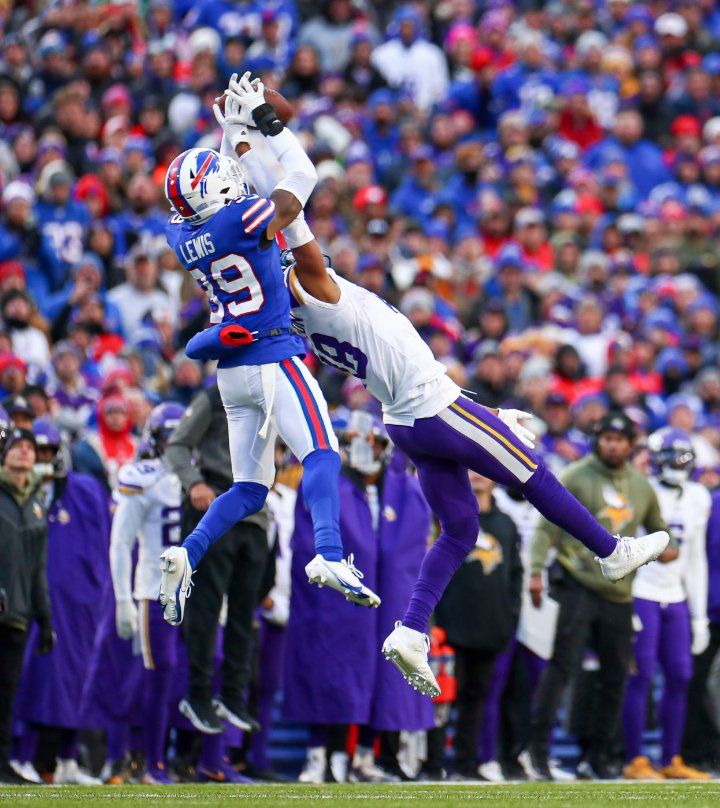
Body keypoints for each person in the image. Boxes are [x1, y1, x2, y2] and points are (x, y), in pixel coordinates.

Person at [232, 95, 669, 698]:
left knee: (461, 529)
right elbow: (296, 203)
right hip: (431, 409)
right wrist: (264, 131)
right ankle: (609, 549)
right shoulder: (313, 286)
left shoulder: (300, 312)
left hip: (410, 418)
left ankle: (411, 628)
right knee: (534, 475)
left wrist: (235, 142)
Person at [159, 73, 379, 628]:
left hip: (232, 376)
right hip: (274, 359)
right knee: (322, 454)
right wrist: (263, 122)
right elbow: (303, 176)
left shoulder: (182, 236)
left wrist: (229, 133)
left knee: (250, 489)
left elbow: (206, 188)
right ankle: (329, 554)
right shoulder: (244, 220)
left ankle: (187, 552)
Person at [524, 413, 671, 781]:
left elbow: (661, 532)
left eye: (620, 439)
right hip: (578, 581)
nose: (613, 445)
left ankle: (600, 757)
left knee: (616, 676)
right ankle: (537, 755)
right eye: (606, 438)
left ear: (631, 444)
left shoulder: (642, 487)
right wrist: (538, 569)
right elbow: (545, 526)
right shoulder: (576, 475)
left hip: (620, 593)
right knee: (560, 669)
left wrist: (665, 547)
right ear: (597, 440)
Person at [164, 385, 269, 736]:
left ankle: (232, 696)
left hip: (256, 514)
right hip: (217, 504)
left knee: (244, 614)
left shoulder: (275, 398)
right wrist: (193, 482)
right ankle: (198, 695)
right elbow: (177, 444)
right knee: (206, 610)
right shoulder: (214, 395)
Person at [13, 420, 109, 785]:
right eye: (37, 451)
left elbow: (99, 544)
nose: (42, 459)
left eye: (48, 451)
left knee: (75, 678)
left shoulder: (83, 491)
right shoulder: (21, 491)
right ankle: (22, 756)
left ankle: (67, 757)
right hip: (30, 597)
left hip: (75, 601)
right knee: (31, 679)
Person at [622, 428, 711, 781]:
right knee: (639, 675)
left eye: (681, 457)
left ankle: (671, 757)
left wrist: (699, 615)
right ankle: (635, 759)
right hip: (642, 591)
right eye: (669, 456)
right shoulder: (642, 488)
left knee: (681, 675)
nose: (675, 463)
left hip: (675, 597)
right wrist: (626, 599)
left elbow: (695, 559)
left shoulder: (700, 497)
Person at [109, 402, 185, 783]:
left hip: (195, 595)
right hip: (154, 592)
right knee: (157, 674)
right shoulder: (142, 476)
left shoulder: (201, 476)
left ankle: (182, 759)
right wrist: (124, 597)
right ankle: (147, 759)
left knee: (193, 674)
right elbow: (121, 542)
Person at [435, 474, 522, 781]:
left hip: (490, 628)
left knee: (477, 699)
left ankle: (465, 763)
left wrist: (509, 618)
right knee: (442, 699)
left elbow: (515, 576)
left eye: (482, 470)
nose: (477, 476)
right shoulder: (447, 516)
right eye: (470, 469)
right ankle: (433, 764)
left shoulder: (507, 525)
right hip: (451, 626)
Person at [0, 427, 53, 785]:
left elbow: (38, 568)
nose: (23, 452)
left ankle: (1, 762)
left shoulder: (36, 502)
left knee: (5, 694)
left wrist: (44, 615)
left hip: (16, 614)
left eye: (29, 448)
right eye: (16, 447)